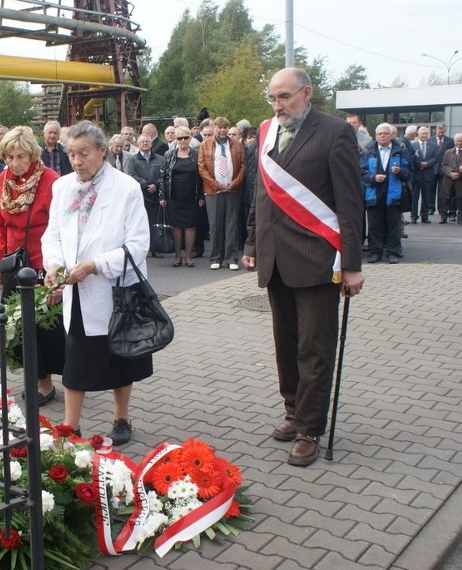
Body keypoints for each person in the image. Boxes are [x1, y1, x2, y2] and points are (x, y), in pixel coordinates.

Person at [243, 67, 365, 467]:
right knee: (286, 346)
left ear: (306, 93)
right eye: (272, 98)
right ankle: (293, 412)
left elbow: (349, 203)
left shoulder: (334, 132)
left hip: (317, 259)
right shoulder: (266, 132)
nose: (277, 106)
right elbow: (260, 192)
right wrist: (251, 242)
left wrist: (351, 264)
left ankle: (311, 428)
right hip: (275, 257)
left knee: (315, 348)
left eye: (284, 97)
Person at [42, 121, 152, 446]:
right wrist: (55, 267)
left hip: (115, 290)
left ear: (102, 151)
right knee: (74, 359)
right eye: (71, 153)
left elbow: (138, 245)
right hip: (77, 293)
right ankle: (70, 427)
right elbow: (53, 234)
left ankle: (121, 418)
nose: (77, 161)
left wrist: (95, 266)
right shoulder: (62, 187)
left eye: (84, 153)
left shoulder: (126, 188)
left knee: (120, 357)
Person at [0, 126, 64, 406]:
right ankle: (33, 379)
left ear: (33, 154)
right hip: (13, 265)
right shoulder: (3, 179)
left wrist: (57, 274)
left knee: (43, 329)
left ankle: (46, 384)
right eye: (9, 157)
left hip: (42, 265)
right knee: (17, 328)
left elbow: (60, 231)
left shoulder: (51, 181)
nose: (14, 163)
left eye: (20, 156)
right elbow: (1, 226)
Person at [198, 116, 246, 270]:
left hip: (233, 189)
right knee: (215, 224)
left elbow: (244, 166)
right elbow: (202, 168)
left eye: (225, 127)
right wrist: (216, 184)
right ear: (214, 129)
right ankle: (216, 257)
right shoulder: (205, 145)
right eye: (220, 127)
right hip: (213, 191)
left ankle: (231, 258)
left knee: (232, 224)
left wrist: (235, 183)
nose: (223, 130)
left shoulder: (237, 145)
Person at [361, 123, 411, 264]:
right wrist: (373, 177)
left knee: (393, 227)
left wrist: (400, 171)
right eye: (380, 134)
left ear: (391, 135)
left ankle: (392, 252)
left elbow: (409, 174)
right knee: (374, 226)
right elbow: (361, 172)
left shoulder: (401, 151)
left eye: (385, 133)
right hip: (373, 194)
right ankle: (375, 252)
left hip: (393, 195)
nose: (382, 136)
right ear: (375, 136)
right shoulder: (367, 152)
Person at [159, 126, 203, 267]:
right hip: (174, 196)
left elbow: (202, 177)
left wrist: (202, 196)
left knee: (190, 227)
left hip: (192, 196)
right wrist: (162, 196)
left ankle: (189, 257)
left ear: (190, 138)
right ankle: (177, 256)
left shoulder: (197, 154)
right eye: (180, 138)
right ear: (176, 140)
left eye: (185, 137)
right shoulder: (169, 155)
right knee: (176, 227)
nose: (183, 140)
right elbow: (163, 176)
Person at [123, 133, 166, 258]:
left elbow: (163, 175)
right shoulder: (132, 159)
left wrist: (156, 185)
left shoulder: (160, 159)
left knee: (154, 223)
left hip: (155, 196)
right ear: (138, 144)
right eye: (142, 142)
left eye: (147, 141)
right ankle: (143, 249)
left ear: (151, 144)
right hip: (140, 195)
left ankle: (155, 248)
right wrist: (146, 184)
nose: (145, 143)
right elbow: (131, 175)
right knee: (141, 224)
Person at [411, 127, 439, 224]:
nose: (424, 135)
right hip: (416, 175)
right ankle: (413, 216)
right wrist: (420, 164)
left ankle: (425, 216)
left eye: (426, 133)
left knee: (426, 197)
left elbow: (436, 158)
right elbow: (411, 158)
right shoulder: (413, 145)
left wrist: (426, 164)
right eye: (422, 133)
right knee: (414, 197)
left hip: (428, 175)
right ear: (418, 134)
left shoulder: (433, 146)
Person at [438, 133, 462, 224]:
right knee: (445, 198)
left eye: (461, 141)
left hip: (460, 180)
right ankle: (443, 217)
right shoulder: (448, 152)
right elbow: (443, 165)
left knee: (460, 199)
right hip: (448, 179)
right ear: (454, 141)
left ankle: (460, 218)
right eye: (457, 141)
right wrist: (450, 173)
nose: (459, 143)